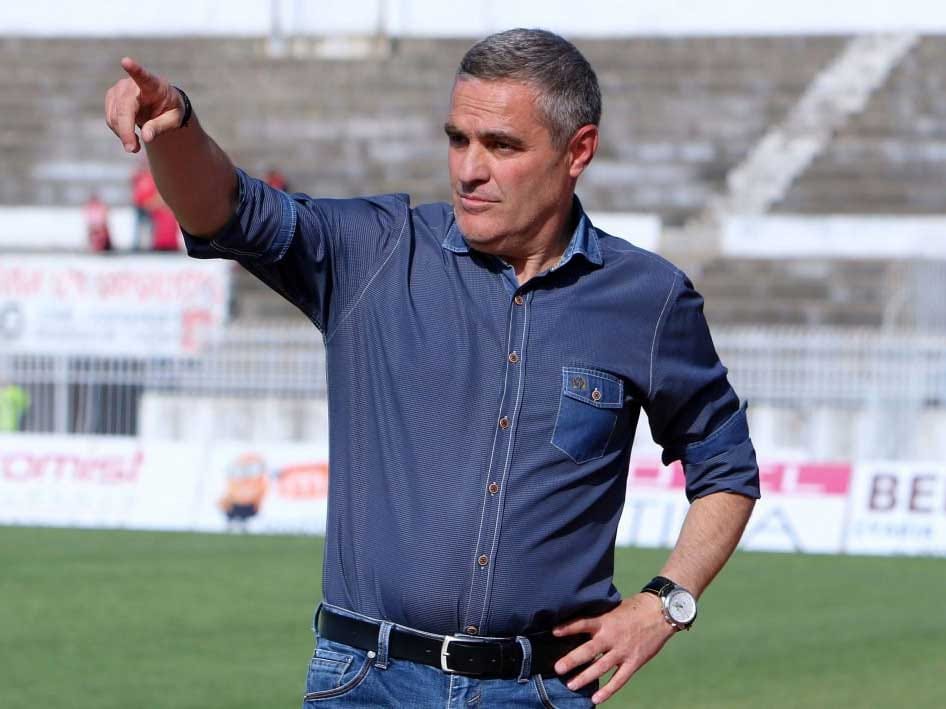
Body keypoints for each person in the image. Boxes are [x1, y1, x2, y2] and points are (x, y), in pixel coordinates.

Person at [105, 28, 759, 707]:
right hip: (366, 683)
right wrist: (175, 127)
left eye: (501, 145)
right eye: (457, 139)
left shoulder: (647, 299)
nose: (469, 168)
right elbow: (227, 210)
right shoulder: (375, 253)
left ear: (578, 151)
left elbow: (727, 468)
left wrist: (665, 603)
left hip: (540, 689)